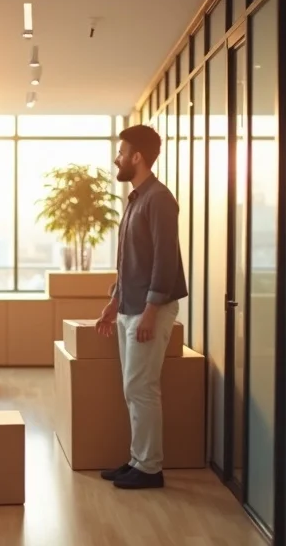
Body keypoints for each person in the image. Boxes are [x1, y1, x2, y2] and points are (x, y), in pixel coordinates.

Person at [95, 125, 187, 490]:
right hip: (130, 306)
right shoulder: (137, 198)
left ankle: (150, 468)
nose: (116, 158)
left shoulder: (160, 199)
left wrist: (150, 311)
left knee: (142, 387)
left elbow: (164, 261)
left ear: (137, 157)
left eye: (121, 152)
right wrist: (114, 301)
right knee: (133, 388)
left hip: (151, 309)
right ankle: (138, 459)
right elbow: (130, 260)